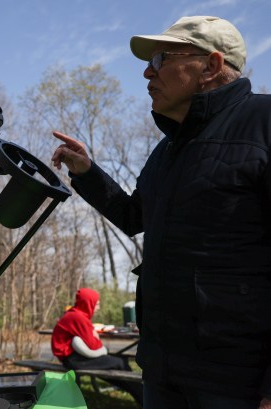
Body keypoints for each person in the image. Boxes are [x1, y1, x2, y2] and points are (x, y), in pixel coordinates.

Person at [51, 16, 271, 409]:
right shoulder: (169, 149)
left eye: (161, 58)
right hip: (163, 374)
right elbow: (135, 216)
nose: (146, 72)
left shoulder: (263, 124)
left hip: (238, 382)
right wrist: (87, 172)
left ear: (211, 65)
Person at [51, 288, 143, 404]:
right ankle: (142, 396)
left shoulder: (74, 314)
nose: (98, 307)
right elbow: (95, 346)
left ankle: (137, 392)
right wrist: (95, 336)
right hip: (74, 360)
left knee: (119, 363)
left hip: (74, 357)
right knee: (119, 363)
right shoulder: (78, 318)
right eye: (97, 303)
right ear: (88, 303)